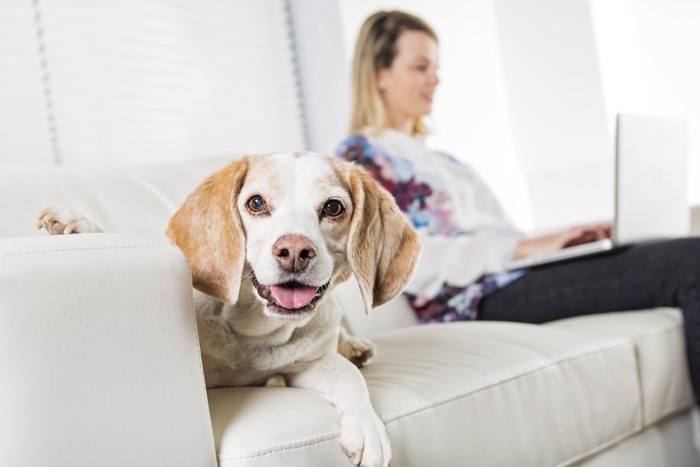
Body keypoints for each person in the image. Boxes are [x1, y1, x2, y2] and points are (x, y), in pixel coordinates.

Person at [335, 9, 700, 401]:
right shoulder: (359, 159)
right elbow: (400, 259)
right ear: (379, 74)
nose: (435, 79)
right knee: (689, 261)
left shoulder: (447, 163)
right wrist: (521, 249)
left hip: (514, 276)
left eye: (436, 67)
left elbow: (502, 236)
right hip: (475, 301)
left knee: (673, 251)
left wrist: (556, 244)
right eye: (421, 67)